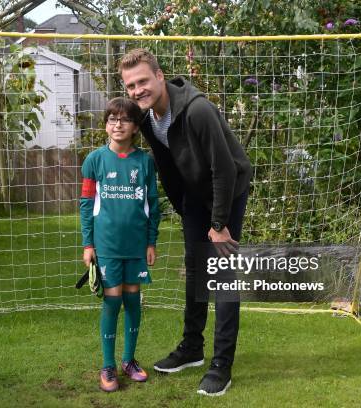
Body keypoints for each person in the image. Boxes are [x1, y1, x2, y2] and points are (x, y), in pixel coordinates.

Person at [119, 48, 252, 396]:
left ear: (160, 76)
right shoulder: (148, 118)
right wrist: (184, 207)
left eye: (143, 81)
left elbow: (223, 167)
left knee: (222, 274)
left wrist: (219, 223)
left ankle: (221, 364)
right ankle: (192, 347)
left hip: (228, 188)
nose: (137, 90)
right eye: (131, 85)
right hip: (195, 194)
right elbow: (166, 163)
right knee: (195, 268)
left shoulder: (197, 110)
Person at [79, 97, 161, 392]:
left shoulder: (145, 162)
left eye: (124, 120)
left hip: (136, 245)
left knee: (132, 299)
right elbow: (86, 204)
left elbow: (152, 203)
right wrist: (88, 244)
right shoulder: (94, 160)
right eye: (112, 119)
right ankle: (107, 366)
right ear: (105, 125)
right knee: (112, 300)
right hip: (107, 246)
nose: (117, 124)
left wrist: (151, 241)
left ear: (136, 127)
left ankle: (128, 360)